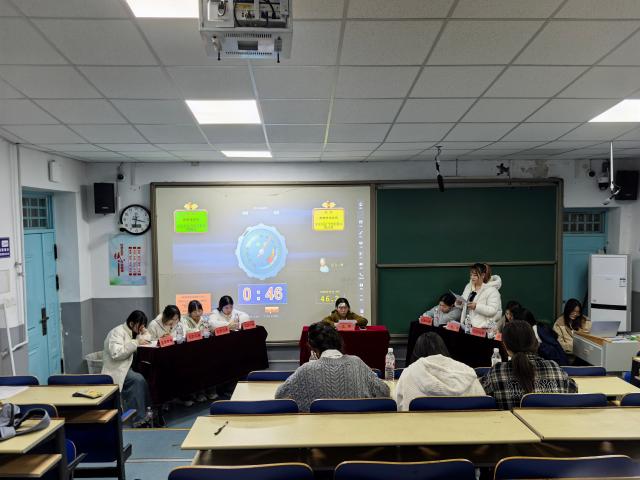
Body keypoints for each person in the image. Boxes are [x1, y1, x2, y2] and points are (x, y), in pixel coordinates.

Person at [275, 322, 389, 412]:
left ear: (313, 348)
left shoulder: (305, 370)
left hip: (317, 432)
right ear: (339, 342)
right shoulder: (357, 363)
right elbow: (384, 391)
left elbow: (280, 395)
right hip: (355, 430)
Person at [481, 320, 577, 410]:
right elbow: (573, 391)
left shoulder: (497, 372)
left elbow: (479, 395)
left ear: (505, 345)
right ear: (535, 342)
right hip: (551, 422)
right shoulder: (554, 368)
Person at [397, 332, 485, 410]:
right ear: (443, 348)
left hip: (420, 423)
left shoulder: (409, 373)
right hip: (464, 423)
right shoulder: (467, 372)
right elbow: (483, 405)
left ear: (417, 352)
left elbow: (398, 405)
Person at [101, 310, 152, 427]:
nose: (142, 328)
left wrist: (144, 332)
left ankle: (148, 413)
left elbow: (147, 338)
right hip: (118, 369)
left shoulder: (134, 332)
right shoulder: (117, 332)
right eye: (140, 326)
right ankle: (138, 419)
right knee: (137, 380)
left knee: (150, 375)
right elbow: (116, 354)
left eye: (144, 326)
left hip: (129, 366)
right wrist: (135, 343)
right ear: (131, 323)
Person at [458, 263, 502, 329]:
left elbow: (492, 310)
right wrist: (459, 302)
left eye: (475, 275)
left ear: (483, 275)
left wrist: (476, 307)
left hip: (482, 328)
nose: (472, 277)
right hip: (466, 325)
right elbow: (464, 304)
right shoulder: (468, 286)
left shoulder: (492, 291)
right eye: (471, 275)